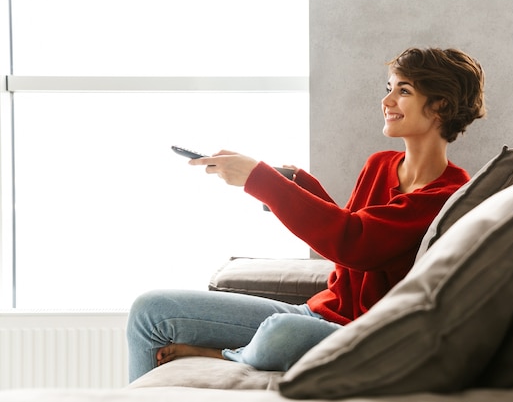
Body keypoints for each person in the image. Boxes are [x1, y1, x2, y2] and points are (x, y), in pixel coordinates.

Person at [126, 47, 486, 382]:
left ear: (440, 106)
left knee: (284, 333)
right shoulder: (381, 164)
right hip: (318, 316)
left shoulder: (447, 194)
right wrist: (295, 182)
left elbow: (354, 243)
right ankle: (250, 351)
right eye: (388, 88)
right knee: (151, 309)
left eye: (403, 91)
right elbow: (349, 230)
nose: (386, 101)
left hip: (367, 336)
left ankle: (230, 355)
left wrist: (260, 180)